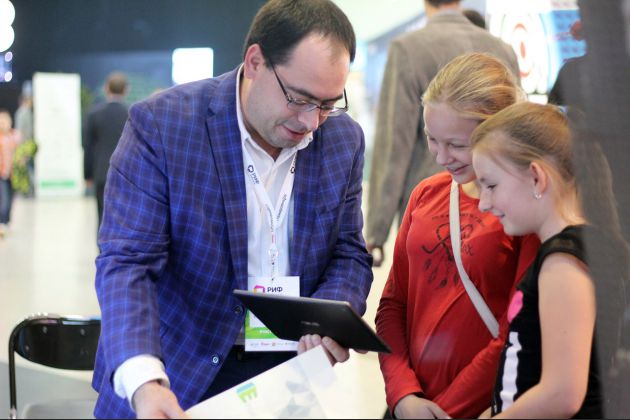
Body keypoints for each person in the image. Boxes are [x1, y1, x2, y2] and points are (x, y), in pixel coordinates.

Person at [92, 0, 373, 418]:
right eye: (299, 99)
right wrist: (144, 380)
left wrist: (327, 320)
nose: (312, 122)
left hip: (287, 373)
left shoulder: (343, 140)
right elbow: (127, 264)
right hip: (177, 369)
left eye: (329, 104)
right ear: (255, 62)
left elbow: (349, 251)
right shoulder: (164, 125)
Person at [375, 53, 539, 419]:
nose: (441, 156)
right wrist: (402, 394)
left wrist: (446, 409)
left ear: (500, 129)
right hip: (408, 404)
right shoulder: (426, 193)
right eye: (431, 139)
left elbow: (515, 329)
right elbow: (393, 305)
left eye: (457, 144)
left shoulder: (523, 211)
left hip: (482, 407)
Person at [471, 102, 628, 418]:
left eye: (491, 185)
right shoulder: (566, 253)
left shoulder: (564, 262)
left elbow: (562, 393)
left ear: (536, 177)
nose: (483, 203)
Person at [366, 0, 520, 266]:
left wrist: (376, 232)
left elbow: (394, 144)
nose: (443, 155)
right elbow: (516, 129)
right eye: (433, 139)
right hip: (499, 209)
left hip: (430, 210)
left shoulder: (408, 49)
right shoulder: (502, 48)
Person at [83, 71, 129, 231]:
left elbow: (87, 147)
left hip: (101, 173)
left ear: (106, 89)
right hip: (126, 174)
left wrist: (87, 174)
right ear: (126, 90)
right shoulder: (131, 114)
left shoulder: (93, 115)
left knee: (102, 215)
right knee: (124, 217)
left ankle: (102, 246)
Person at [0, 109, 21, 237]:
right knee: (4, 199)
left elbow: (21, 151)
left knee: (11, 199)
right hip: (1, 174)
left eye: (5, 121)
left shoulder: (14, 136)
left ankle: (6, 223)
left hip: (13, 175)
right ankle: (1, 223)